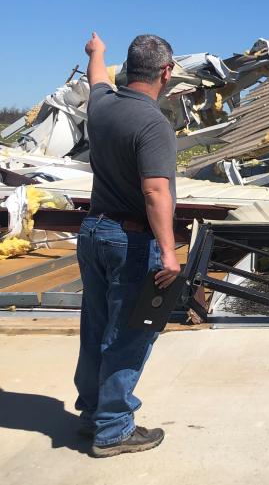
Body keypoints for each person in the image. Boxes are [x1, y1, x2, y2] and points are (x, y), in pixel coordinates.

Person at [73, 32, 181, 456]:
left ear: (126, 69)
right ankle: (114, 428)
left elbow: (97, 76)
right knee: (128, 334)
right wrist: (170, 255)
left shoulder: (101, 106)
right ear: (165, 73)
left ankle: (93, 415)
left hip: (93, 233)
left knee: (95, 328)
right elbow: (156, 191)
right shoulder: (153, 123)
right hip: (130, 242)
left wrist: (95, 52)